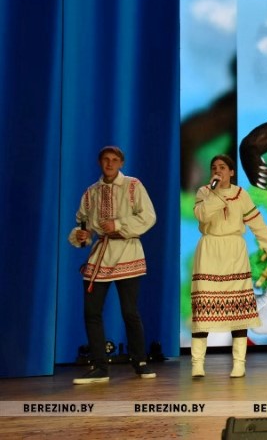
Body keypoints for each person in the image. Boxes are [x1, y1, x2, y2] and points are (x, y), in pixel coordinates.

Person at [190, 154, 267, 378]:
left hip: (234, 253)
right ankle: (197, 363)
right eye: (214, 167)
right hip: (209, 252)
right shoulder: (204, 192)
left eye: (222, 167)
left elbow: (258, 225)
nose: (217, 170)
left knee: (239, 311)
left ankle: (239, 363)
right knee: (203, 310)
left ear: (231, 172)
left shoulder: (241, 195)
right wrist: (215, 193)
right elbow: (202, 215)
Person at [69, 146, 157, 384]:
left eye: (114, 160)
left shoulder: (132, 185)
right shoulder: (91, 193)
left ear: (121, 163)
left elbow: (148, 216)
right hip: (102, 253)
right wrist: (82, 235)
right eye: (106, 159)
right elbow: (83, 224)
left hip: (127, 252)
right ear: (100, 162)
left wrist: (118, 224)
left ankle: (140, 362)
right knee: (91, 312)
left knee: (130, 311)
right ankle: (99, 366)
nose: (110, 163)